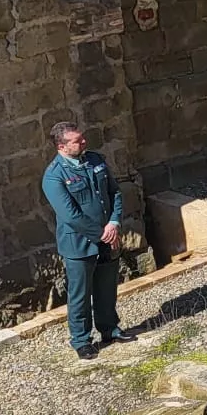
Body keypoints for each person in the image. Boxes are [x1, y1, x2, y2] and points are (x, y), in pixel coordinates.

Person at [42, 122, 135, 362]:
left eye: (82, 138)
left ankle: (110, 329)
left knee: (106, 288)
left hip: (108, 235)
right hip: (79, 244)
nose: (83, 143)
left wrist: (114, 223)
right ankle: (82, 340)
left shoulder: (95, 160)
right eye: (76, 141)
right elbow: (70, 214)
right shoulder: (54, 176)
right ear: (61, 146)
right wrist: (102, 233)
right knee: (80, 294)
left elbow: (114, 192)